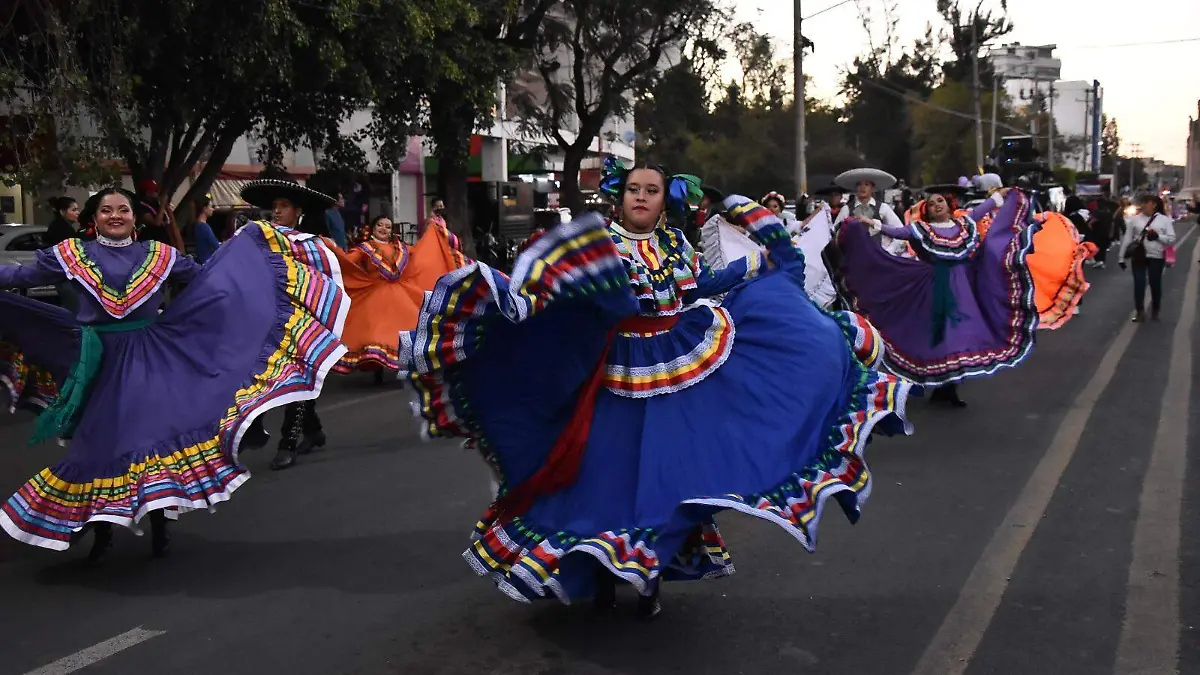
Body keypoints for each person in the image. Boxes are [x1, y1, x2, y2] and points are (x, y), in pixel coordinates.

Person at [400, 156, 915, 619]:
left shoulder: (676, 245)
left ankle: (647, 577)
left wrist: (756, 253)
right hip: (613, 370)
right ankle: (603, 573)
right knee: (606, 473)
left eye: (651, 190)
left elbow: (701, 285)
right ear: (620, 196)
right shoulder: (598, 247)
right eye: (634, 189)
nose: (641, 197)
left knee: (668, 474)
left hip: (676, 363)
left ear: (664, 200)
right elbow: (562, 295)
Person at [0, 186, 348, 560]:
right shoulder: (71, 255)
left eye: (123, 209)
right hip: (97, 361)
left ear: (135, 217)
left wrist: (247, 259)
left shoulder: (159, 255)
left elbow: (208, 278)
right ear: (94, 218)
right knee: (98, 445)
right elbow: (20, 274)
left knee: (153, 437)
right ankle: (103, 531)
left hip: (151, 358)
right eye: (106, 210)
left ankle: (161, 523)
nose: (115, 216)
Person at [836, 184, 1038, 408]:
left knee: (962, 334)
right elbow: (899, 232)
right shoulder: (923, 229)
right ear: (928, 211)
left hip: (963, 288)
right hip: (935, 288)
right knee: (943, 336)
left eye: (940, 201)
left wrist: (999, 195)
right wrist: (872, 222)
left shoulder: (963, 223)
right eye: (931, 204)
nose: (936, 205)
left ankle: (948, 388)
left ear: (949, 205)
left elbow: (981, 210)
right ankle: (944, 387)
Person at [237, 178, 340, 470]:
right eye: (275, 206)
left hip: (302, 321)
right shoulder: (263, 239)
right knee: (264, 374)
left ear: (298, 211)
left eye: (284, 206)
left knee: (296, 377)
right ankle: (312, 430)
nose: (277, 211)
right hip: (267, 318)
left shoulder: (313, 246)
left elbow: (326, 282)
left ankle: (288, 442)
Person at [329, 214, 465, 385]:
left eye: (387, 226)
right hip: (374, 295)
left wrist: (432, 232)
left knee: (406, 328)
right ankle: (378, 369)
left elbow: (420, 253)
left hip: (401, 295)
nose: (383, 229)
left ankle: (405, 366)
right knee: (376, 332)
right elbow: (346, 261)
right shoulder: (364, 248)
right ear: (373, 227)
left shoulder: (400, 247)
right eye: (380, 225)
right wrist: (330, 249)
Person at [1118, 194, 1176, 322]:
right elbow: (1127, 239)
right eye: (1142, 202)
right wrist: (1121, 258)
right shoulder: (1135, 220)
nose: (1143, 205)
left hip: (1157, 256)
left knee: (1155, 283)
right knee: (1139, 283)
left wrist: (1157, 237)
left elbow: (1171, 239)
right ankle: (1140, 311)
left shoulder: (1164, 220)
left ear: (1154, 205)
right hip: (1139, 256)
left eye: (1146, 202)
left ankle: (1156, 309)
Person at [832, 168, 910, 257]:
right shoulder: (847, 209)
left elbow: (900, 231)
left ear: (872, 188)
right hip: (854, 258)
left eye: (866, 184)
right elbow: (834, 233)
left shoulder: (883, 208)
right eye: (859, 184)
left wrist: (888, 251)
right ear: (856, 188)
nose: (863, 187)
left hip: (878, 259)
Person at [191, 194, 221, 264]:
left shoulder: (197, 225)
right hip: (208, 262)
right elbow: (216, 246)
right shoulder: (204, 227)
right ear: (204, 209)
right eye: (211, 207)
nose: (213, 209)